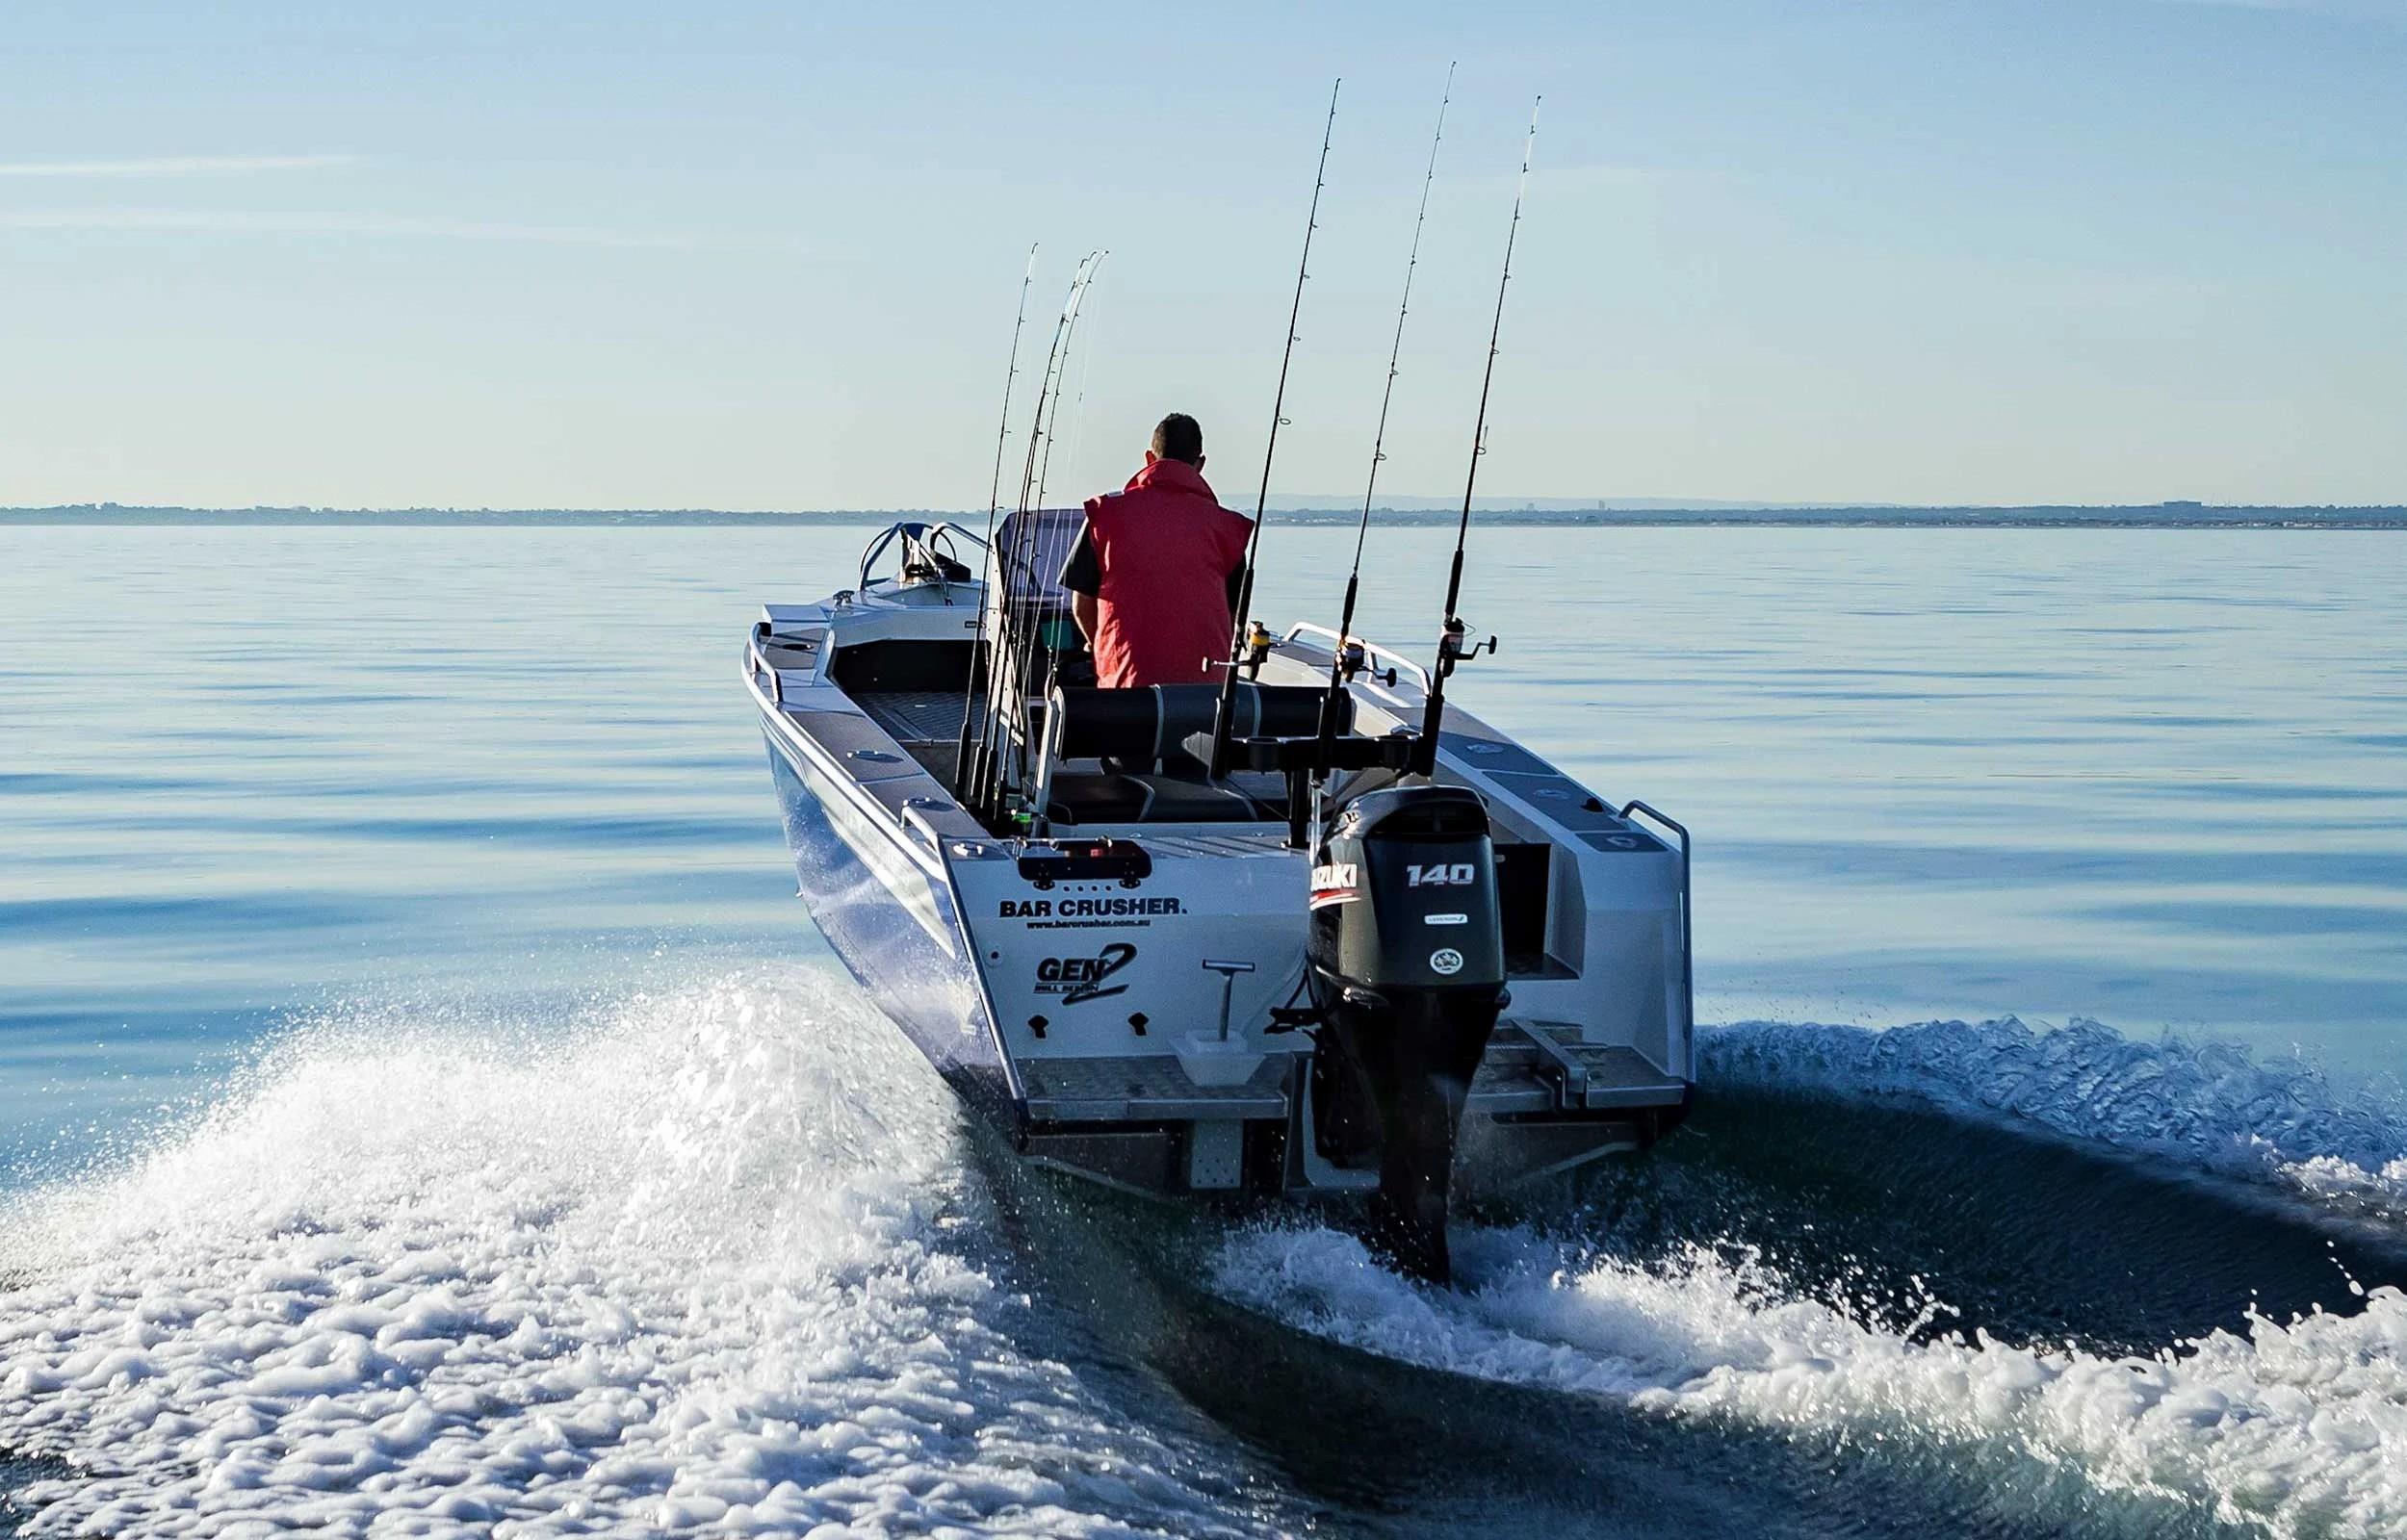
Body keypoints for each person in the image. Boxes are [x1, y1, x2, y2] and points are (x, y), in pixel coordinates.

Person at [1058, 413, 1254, 689]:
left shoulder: (1106, 517)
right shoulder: (1227, 528)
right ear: (1200, 465)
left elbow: (1081, 605)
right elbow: (1233, 616)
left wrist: (1098, 647)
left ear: (1149, 458)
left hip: (1125, 687)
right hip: (1204, 690)